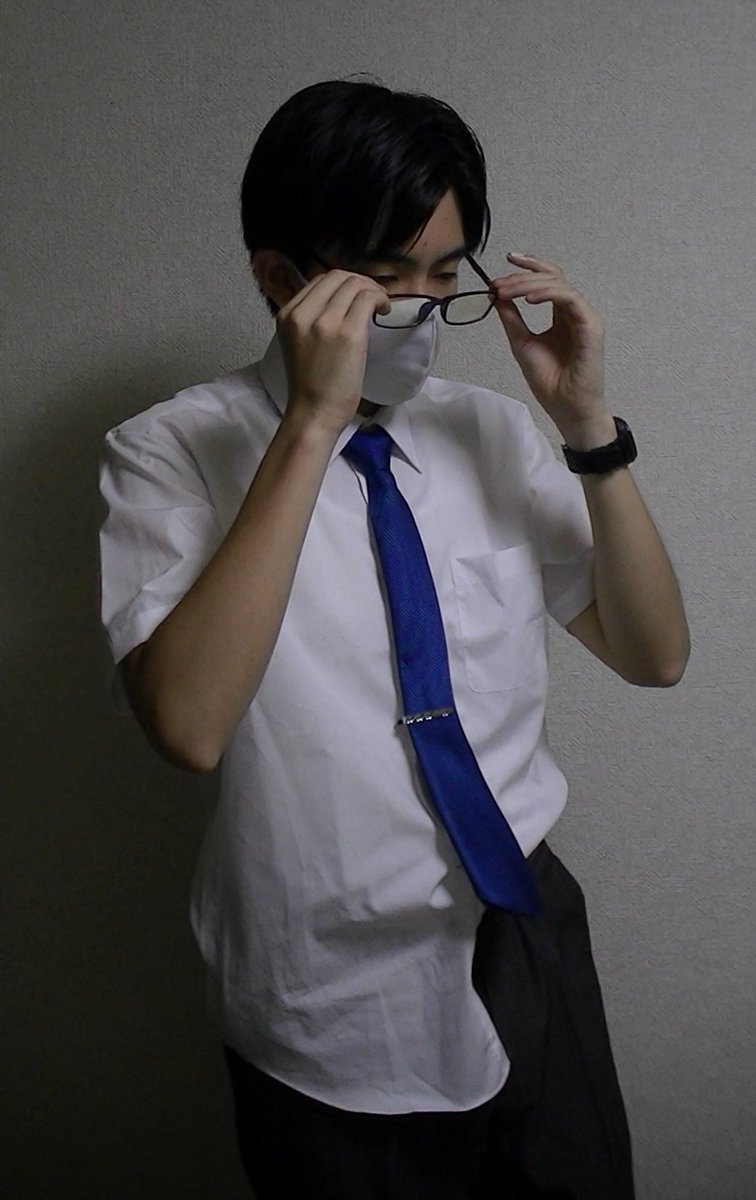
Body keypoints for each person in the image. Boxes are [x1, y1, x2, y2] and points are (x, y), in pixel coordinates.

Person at [99, 79, 689, 1199]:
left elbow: (654, 654)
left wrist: (586, 428)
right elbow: (187, 725)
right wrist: (314, 423)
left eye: (445, 277)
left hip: (524, 925)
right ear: (281, 279)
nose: (419, 311)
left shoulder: (490, 430)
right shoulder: (166, 451)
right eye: (382, 281)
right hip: (323, 973)